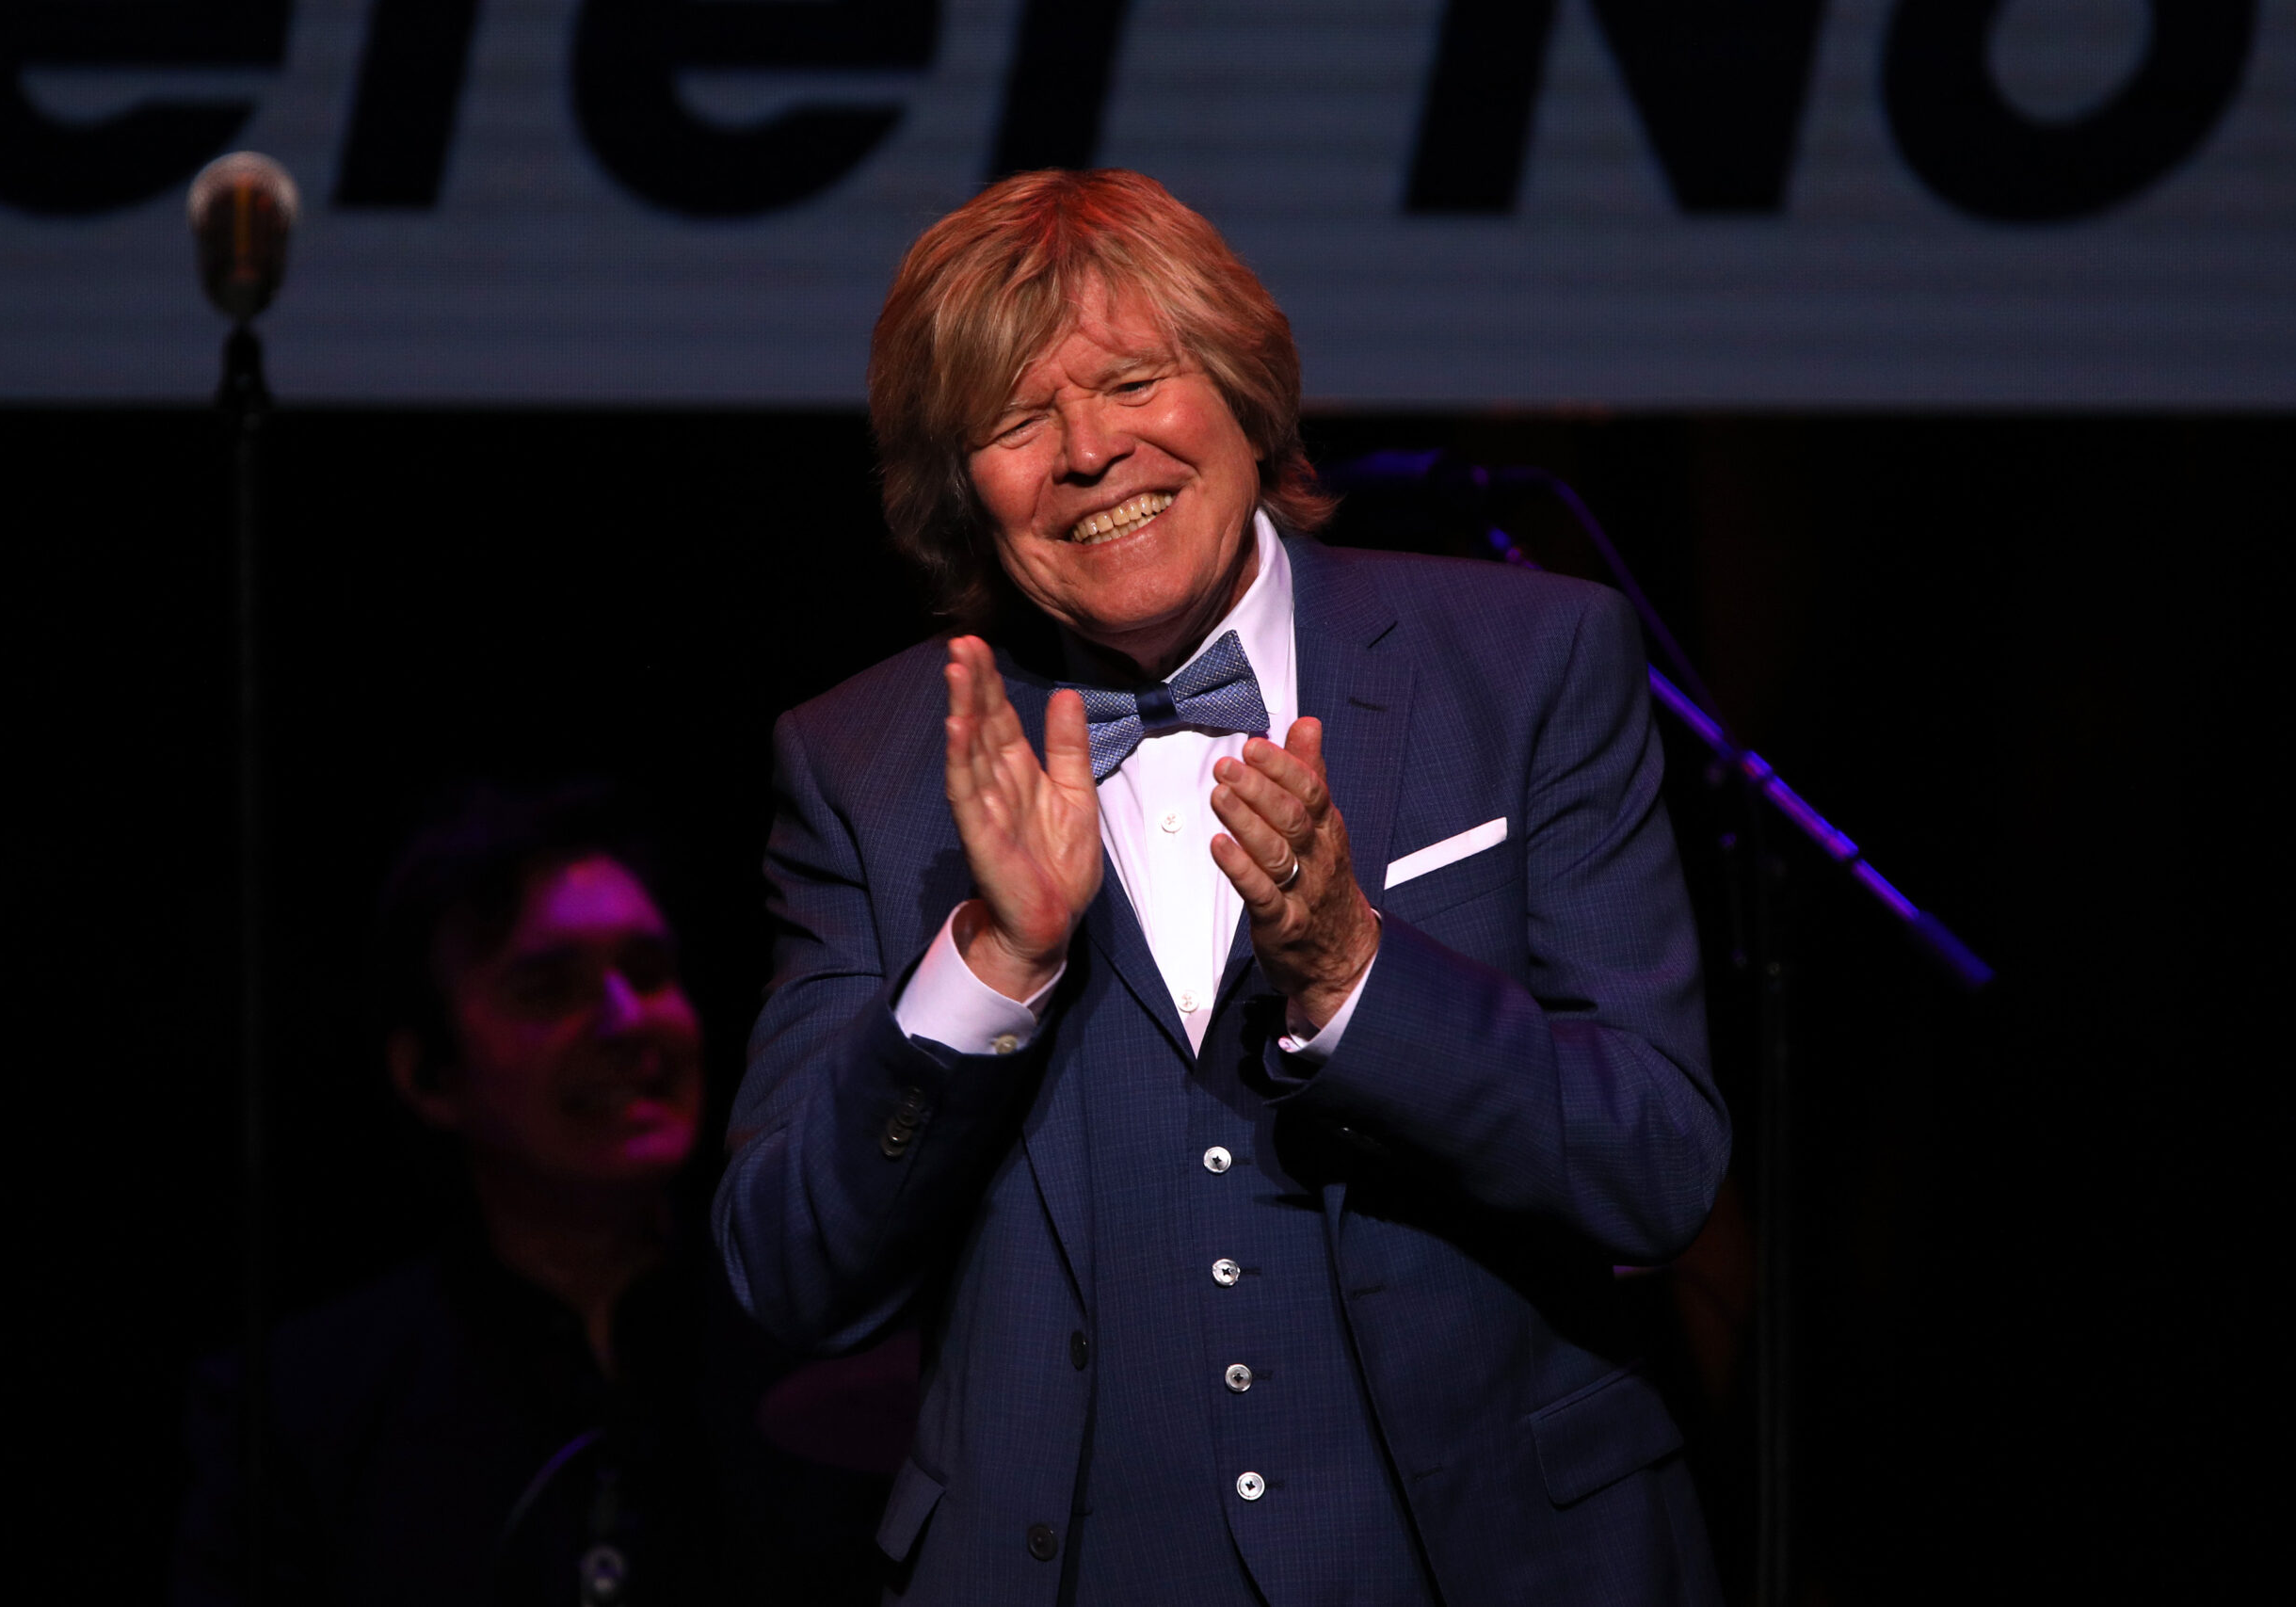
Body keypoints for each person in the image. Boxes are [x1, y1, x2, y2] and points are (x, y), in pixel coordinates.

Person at [715, 169, 1728, 1605]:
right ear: (962, 489)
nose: (1089, 450)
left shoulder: (1527, 664)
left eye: (1136, 379)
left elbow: (1658, 1165)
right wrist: (989, 963)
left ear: (1245, 392)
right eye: (1017, 420)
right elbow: (789, 1268)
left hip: (1498, 1557)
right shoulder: (865, 764)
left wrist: (1356, 970)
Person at [175, 784, 906, 1607]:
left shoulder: (832, 1340)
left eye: (650, 971)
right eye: (548, 989)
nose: (627, 1019)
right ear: (428, 1072)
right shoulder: (302, 1410)